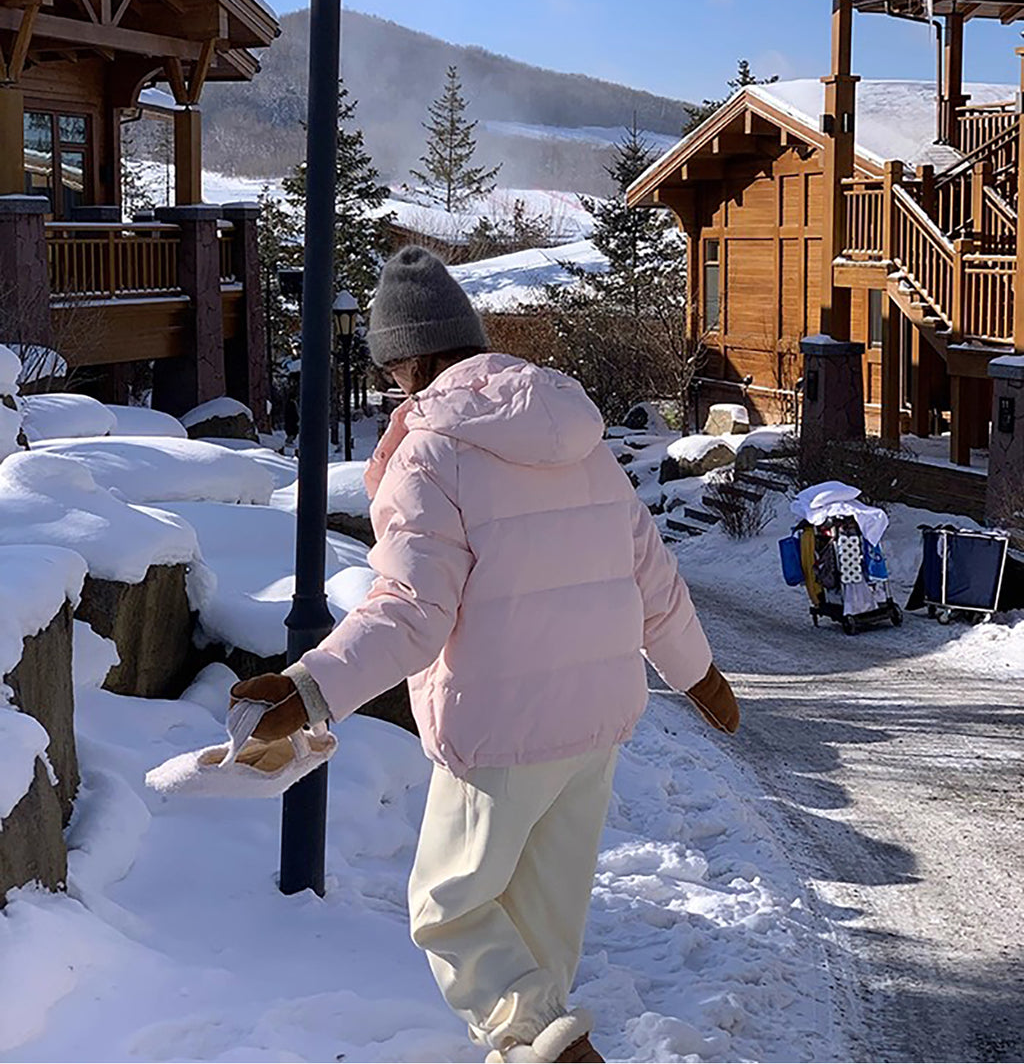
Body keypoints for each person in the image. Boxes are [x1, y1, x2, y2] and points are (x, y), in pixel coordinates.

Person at [234, 246, 739, 1064]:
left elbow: (411, 611)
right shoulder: (579, 436)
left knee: (451, 909)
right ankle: (542, 1048)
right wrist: (700, 676)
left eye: (396, 369)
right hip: (596, 729)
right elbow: (651, 569)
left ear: (411, 360)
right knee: (538, 944)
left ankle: (550, 1049)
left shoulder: (431, 451)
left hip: (501, 729)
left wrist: (309, 687)